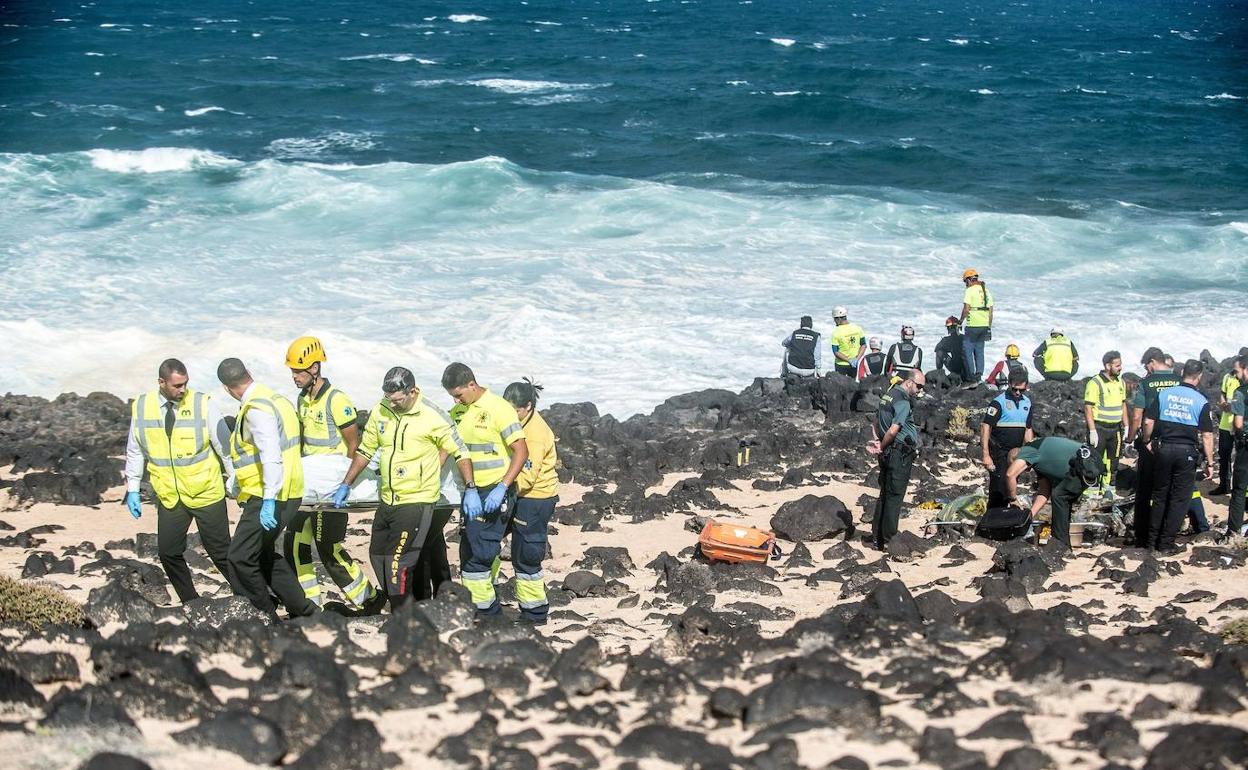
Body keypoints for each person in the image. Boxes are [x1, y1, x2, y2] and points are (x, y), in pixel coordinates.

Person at [331, 367, 472, 610]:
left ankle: (405, 617)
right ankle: (409, 608)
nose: (392, 404)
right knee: (377, 558)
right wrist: (346, 484)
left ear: (412, 391)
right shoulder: (381, 410)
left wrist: (470, 487)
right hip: (388, 499)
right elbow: (366, 450)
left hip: (417, 501)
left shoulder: (432, 415)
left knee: (398, 565)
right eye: (389, 399)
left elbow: (460, 451)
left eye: (397, 400)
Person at [124, 358, 236, 604]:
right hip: (170, 496)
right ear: (161, 382)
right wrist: (132, 487)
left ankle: (251, 597)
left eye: (185, 384)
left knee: (221, 554)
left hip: (206, 492)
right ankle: (191, 602)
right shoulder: (142, 407)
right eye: (176, 385)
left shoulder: (202, 404)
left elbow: (225, 448)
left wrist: (234, 481)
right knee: (168, 553)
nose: (182, 389)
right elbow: (135, 450)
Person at [286, 336, 384, 614]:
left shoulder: (336, 399)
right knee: (295, 544)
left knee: (327, 548)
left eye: (298, 371)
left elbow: (355, 445)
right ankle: (309, 606)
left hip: (333, 488)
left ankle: (369, 599)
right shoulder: (302, 399)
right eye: (292, 371)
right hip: (309, 486)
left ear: (315, 368)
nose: (294, 376)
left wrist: (346, 485)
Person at [217, 358, 316, 617]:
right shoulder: (276, 399)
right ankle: (305, 610)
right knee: (261, 554)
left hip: (269, 496)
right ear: (248, 373)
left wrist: (269, 500)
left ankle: (262, 615)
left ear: (226, 388)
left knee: (239, 559)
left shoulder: (256, 408)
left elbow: (270, 454)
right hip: (289, 490)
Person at [442, 363, 531, 616]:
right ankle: (479, 611)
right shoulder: (458, 411)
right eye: (452, 396)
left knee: (478, 558)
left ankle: (487, 616)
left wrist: (502, 487)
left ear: (472, 384)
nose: (456, 400)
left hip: (494, 490)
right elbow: (447, 447)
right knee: (467, 552)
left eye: (458, 394)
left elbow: (521, 451)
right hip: (470, 492)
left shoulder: (498, 409)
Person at [1141, 359, 1215, 554]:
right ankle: (1166, 543)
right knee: (1179, 499)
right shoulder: (1200, 400)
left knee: (1160, 495)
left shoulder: (1165, 394)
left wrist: (1147, 441)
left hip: (1164, 449)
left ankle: (1151, 541)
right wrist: (1210, 462)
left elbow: (1148, 421)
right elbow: (1207, 435)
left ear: (1182, 372)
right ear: (1198, 377)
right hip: (1186, 452)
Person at [502, 378, 560, 623]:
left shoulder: (534, 433)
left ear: (528, 406)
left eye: (515, 410)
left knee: (526, 554)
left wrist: (501, 490)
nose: (510, 414)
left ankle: (535, 612)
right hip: (517, 492)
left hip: (535, 498)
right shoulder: (514, 423)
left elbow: (527, 475)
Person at [1004, 436, 1100, 548]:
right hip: (1089, 461)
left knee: (1059, 496)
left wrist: (1013, 499)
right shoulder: (1039, 461)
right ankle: (1062, 542)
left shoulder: (1029, 450)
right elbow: (1044, 492)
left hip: (1087, 462)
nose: (1025, 471)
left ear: (1018, 459)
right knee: (1061, 496)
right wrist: (1029, 516)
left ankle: (1060, 545)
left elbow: (1010, 474)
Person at [1128, 347, 1181, 547]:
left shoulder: (1146, 383)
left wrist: (1133, 438)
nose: (1147, 370)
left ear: (1151, 361)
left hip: (1152, 441)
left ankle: (1143, 536)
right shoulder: (1178, 380)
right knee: (1168, 490)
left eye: (1146, 366)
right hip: (1175, 439)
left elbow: (1137, 415)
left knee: (1145, 490)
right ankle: (1165, 535)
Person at [868, 369, 925, 549]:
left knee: (885, 492)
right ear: (909, 382)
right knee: (895, 495)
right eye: (919, 386)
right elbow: (893, 430)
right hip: (898, 453)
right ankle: (890, 539)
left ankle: (877, 536)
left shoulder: (888, 394)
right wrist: (882, 445)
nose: (920, 391)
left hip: (889, 451)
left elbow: (876, 421)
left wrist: (878, 440)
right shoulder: (903, 402)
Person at [980, 368, 1034, 508]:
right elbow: (986, 427)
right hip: (998, 451)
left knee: (1011, 485)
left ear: (1027, 386)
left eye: (1021, 390)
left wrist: (1031, 453)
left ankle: (1007, 517)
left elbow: (1028, 428)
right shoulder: (998, 402)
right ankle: (994, 518)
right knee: (998, 488)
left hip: (1015, 452)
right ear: (1009, 384)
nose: (1017, 393)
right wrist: (986, 455)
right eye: (1014, 389)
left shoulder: (1027, 403)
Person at [1084, 351, 1129, 497]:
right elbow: (1088, 407)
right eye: (1117, 365)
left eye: (1120, 365)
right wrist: (1092, 430)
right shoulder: (1095, 383)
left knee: (1113, 461)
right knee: (1095, 461)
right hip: (1099, 427)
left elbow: (1123, 405)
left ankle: (1109, 489)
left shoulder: (1120, 382)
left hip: (1115, 428)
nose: (1120, 368)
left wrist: (1126, 426)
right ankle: (1092, 490)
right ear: (1107, 365)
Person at [1222, 353, 1248, 538]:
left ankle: (1233, 531)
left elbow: (1238, 423)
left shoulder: (1241, 391)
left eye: (1238, 371)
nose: (1237, 375)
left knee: (1239, 489)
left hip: (1246, 444)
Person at [1212, 353, 1245, 495]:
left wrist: (1233, 407)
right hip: (1226, 423)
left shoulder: (1244, 382)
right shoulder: (1228, 377)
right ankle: (1224, 484)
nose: (1235, 372)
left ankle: (1241, 490)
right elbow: (1222, 393)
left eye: (1237, 369)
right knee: (1223, 455)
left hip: (1241, 424)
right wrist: (1223, 403)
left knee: (1241, 459)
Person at [957, 268, 994, 386]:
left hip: (973, 324)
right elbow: (991, 311)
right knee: (979, 351)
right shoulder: (986, 291)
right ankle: (979, 376)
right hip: (984, 325)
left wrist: (960, 321)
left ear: (968, 280)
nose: (965, 284)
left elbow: (966, 309)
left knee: (967, 350)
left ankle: (971, 379)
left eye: (965, 282)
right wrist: (988, 327)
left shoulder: (970, 291)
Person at [829, 306, 866, 378]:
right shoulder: (857, 328)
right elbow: (863, 345)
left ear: (838, 318)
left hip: (841, 365)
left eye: (834, 319)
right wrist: (857, 359)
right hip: (855, 364)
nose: (834, 321)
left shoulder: (836, 332)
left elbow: (836, 352)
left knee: (840, 387)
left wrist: (848, 360)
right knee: (852, 387)